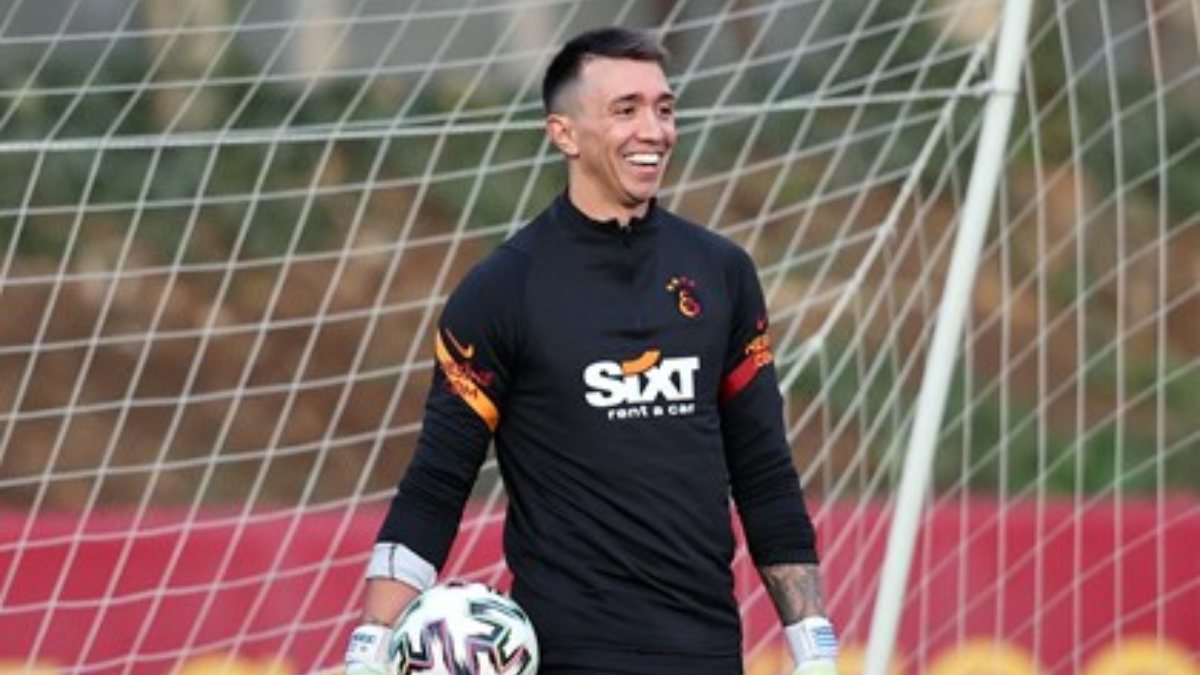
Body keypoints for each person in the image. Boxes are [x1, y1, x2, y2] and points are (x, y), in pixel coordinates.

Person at [344, 26, 839, 675]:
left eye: (664, 108)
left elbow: (764, 469)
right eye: (625, 110)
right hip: (568, 657)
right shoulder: (501, 290)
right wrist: (369, 649)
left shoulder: (722, 272)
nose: (654, 130)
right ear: (565, 133)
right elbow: (436, 486)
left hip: (709, 654)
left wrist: (814, 646)